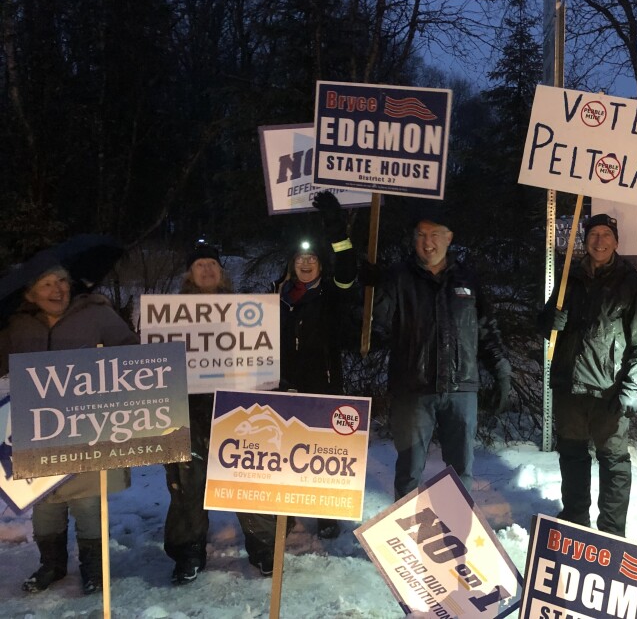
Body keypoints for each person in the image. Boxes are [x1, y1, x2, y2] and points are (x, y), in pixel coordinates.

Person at [0, 266, 137, 594]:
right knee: (45, 504)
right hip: (34, 430)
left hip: (88, 427)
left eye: (62, 280)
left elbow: (133, 355)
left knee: (88, 503)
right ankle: (52, 564)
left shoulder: (97, 314)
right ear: (30, 293)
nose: (57, 289)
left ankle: (94, 568)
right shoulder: (14, 324)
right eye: (46, 283)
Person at [369, 205, 512, 500]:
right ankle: (405, 538)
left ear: (449, 238)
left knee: (460, 471)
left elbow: (486, 328)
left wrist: (500, 368)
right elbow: (375, 328)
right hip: (413, 390)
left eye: (435, 234)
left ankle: (455, 535)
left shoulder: (467, 280)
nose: (427, 241)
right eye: (421, 234)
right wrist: (372, 289)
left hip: (461, 390)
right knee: (409, 470)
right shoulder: (397, 278)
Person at [162, 244, 280, 583]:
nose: (206, 269)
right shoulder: (169, 314)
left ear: (221, 270)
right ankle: (188, 554)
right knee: (187, 484)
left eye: (212, 263)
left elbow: (260, 354)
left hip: (235, 408)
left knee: (247, 476)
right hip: (185, 410)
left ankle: (263, 550)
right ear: (189, 273)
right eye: (199, 264)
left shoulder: (243, 308)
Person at [537, 214, 637, 537]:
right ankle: (576, 522)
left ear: (616, 241)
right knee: (573, 458)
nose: (599, 241)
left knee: (614, 463)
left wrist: (632, 387)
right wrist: (551, 319)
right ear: (585, 241)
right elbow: (542, 326)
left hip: (610, 391)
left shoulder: (631, 282)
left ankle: (611, 532)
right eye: (593, 235)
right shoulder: (568, 277)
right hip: (569, 388)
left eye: (606, 234)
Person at [276, 191, 356, 539]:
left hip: (323, 382)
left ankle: (325, 515)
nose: (306, 263)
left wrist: (335, 225)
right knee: (286, 451)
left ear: (320, 264)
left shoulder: (333, 292)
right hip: (284, 383)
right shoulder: (276, 295)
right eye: (300, 259)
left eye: (312, 258)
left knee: (323, 453)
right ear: (291, 264)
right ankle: (287, 513)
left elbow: (349, 265)